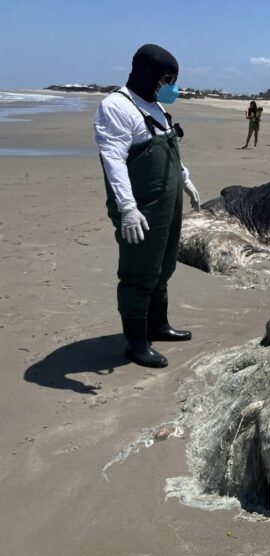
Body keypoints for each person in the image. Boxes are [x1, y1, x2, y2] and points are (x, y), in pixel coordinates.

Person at [93, 44, 201, 368]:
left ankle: (158, 325)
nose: (173, 87)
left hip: (167, 204)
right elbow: (113, 158)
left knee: (164, 265)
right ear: (149, 75)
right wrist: (127, 207)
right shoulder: (117, 107)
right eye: (168, 79)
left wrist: (185, 179)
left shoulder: (154, 107)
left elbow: (170, 148)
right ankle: (136, 342)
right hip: (141, 208)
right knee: (139, 271)